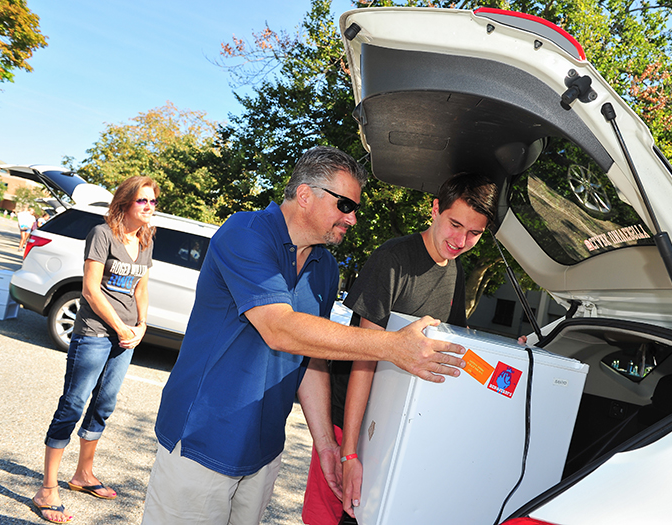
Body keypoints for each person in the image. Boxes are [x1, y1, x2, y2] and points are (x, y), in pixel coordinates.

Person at [141, 146, 466, 525]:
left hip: (263, 451)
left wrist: (326, 443)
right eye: (345, 205)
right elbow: (280, 329)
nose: (354, 218)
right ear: (305, 194)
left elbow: (311, 356)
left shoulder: (324, 267)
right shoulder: (244, 233)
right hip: (201, 442)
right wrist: (394, 346)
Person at [301, 172, 500, 525]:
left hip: (392, 427)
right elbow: (366, 354)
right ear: (435, 208)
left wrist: (511, 354)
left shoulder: (454, 270)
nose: (460, 240)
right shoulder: (391, 259)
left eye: (474, 233)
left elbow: (452, 344)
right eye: (455, 225)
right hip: (347, 423)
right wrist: (348, 454)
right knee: (326, 519)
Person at [32, 176, 159, 523]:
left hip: (126, 337)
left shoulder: (146, 239)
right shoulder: (103, 234)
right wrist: (119, 327)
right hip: (95, 332)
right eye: (142, 201)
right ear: (125, 203)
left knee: (104, 403)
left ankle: (83, 475)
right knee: (73, 403)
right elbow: (90, 289)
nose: (149, 207)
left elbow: (142, 288)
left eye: (152, 202)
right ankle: (47, 489)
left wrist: (141, 325)